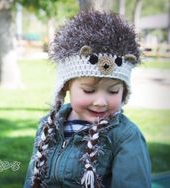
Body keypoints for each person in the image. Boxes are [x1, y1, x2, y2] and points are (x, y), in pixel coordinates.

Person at [24, 11, 151, 188]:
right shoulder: (48, 126)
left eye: (113, 91)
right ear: (66, 85)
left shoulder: (125, 136)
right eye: (89, 90)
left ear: (124, 91)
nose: (101, 101)